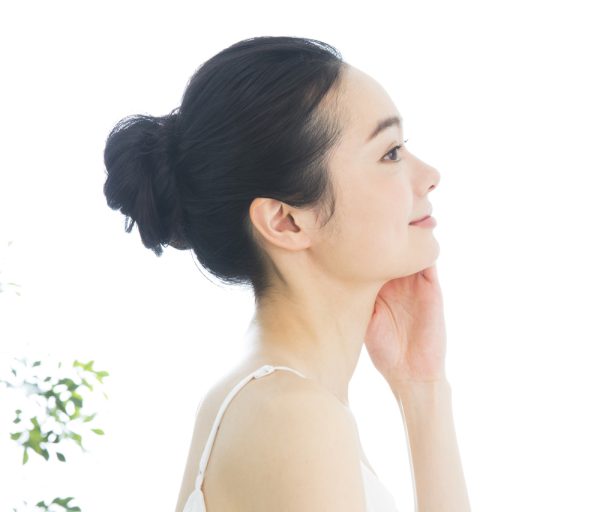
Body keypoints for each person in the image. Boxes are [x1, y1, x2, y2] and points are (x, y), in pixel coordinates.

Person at [102, 35, 471, 511]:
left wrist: (422, 387)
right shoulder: (293, 416)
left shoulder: (285, 402)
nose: (430, 175)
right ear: (286, 221)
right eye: (390, 153)